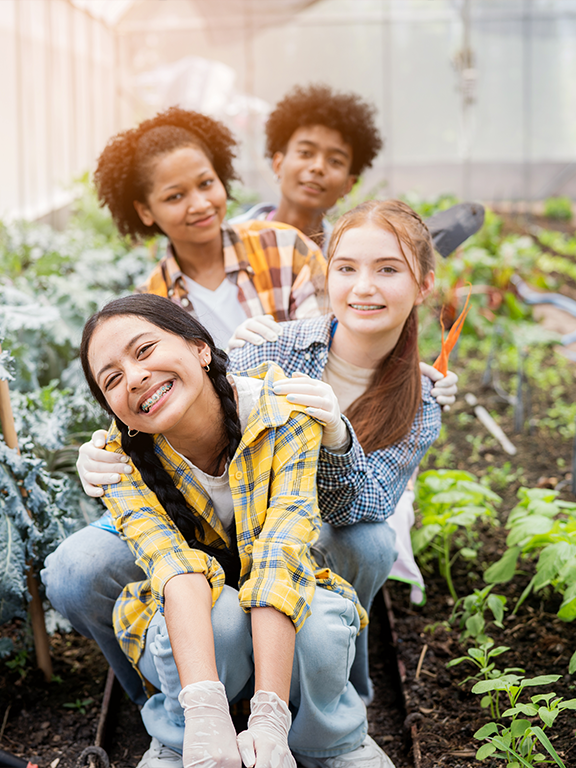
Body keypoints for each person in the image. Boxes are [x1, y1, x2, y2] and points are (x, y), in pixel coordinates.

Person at [76, 293, 391, 768]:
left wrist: (269, 716)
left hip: (279, 587)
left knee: (321, 624)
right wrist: (203, 710)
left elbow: (279, 556)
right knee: (218, 617)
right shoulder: (118, 461)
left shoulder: (282, 414)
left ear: (201, 348)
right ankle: (181, 736)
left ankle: (331, 740)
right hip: (195, 610)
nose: (135, 377)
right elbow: (173, 569)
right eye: (113, 379)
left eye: (144, 351)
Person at [228, 198, 445, 622]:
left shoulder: (421, 404)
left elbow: (368, 505)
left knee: (372, 543)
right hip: (242, 534)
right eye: (346, 268)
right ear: (327, 277)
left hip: (321, 542)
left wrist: (336, 437)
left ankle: (342, 639)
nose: (364, 286)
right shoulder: (272, 347)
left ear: (424, 285)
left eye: (388, 269)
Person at [92, 106, 329, 350]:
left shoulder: (285, 247)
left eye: (206, 183)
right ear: (145, 211)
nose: (201, 204)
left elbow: (325, 343)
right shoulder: (149, 307)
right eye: (175, 196)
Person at [232, 83, 382, 255]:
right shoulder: (229, 240)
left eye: (335, 161)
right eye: (305, 153)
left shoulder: (349, 257)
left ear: (348, 185)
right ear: (278, 164)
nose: (318, 167)